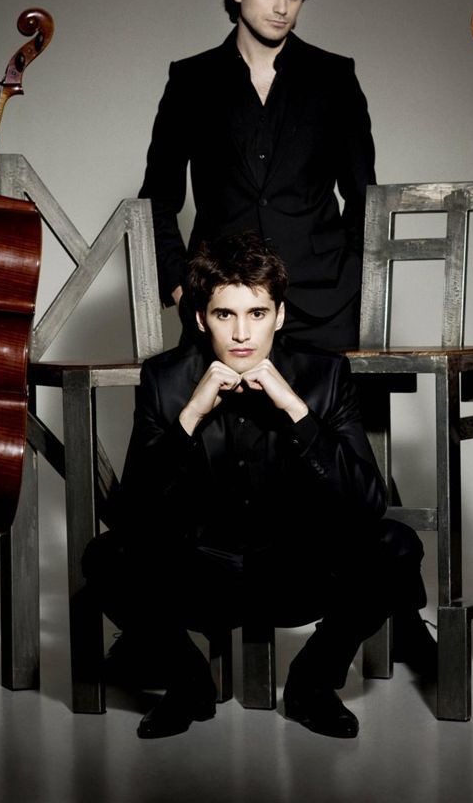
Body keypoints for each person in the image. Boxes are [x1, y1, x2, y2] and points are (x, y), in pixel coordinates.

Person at [83, 232, 435, 740]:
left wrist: (296, 410)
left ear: (281, 315)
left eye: (258, 313)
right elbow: (131, 512)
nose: (242, 333)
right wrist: (191, 415)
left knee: (394, 547)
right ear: (202, 318)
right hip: (202, 576)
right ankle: (188, 685)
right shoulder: (165, 379)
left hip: (294, 572)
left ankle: (312, 686)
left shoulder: (325, 374)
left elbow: (367, 502)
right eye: (226, 315)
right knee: (105, 558)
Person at [138, 0, 376, 350]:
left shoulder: (333, 78)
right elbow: (156, 201)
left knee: (329, 418)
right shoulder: (191, 81)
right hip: (223, 307)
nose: (282, 8)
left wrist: (352, 279)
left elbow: (365, 199)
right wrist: (182, 289)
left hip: (323, 303)